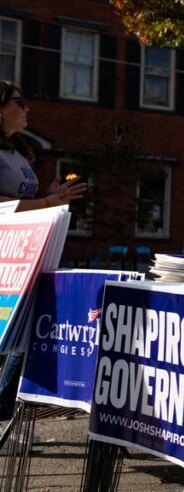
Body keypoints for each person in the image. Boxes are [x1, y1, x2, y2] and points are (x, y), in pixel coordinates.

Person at [0, 81, 85, 424]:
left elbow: (28, 203)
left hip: (27, 253)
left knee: (28, 326)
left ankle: (3, 409)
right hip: (6, 254)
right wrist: (45, 203)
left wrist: (50, 196)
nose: (27, 108)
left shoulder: (19, 152)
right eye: (19, 102)